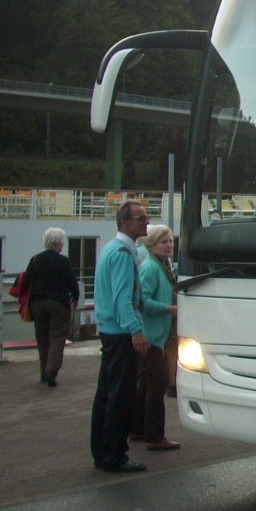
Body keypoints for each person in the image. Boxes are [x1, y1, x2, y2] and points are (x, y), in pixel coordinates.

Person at [89, 200, 150, 474]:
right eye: (140, 218)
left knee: (106, 393)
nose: (146, 222)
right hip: (120, 334)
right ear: (125, 223)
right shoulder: (124, 254)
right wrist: (136, 330)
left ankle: (101, 451)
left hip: (108, 332)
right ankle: (115, 454)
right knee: (121, 396)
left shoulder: (110, 250)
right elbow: (123, 300)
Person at [130, 225, 180, 451]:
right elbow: (143, 302)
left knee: (146, 384)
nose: (169, 246)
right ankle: (154, 435)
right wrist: (169, 309)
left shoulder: (162, 266)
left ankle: (138, 429)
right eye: (164, 242)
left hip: (155, 335)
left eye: (170, 241)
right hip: (151, 336)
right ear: (152, 245)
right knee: (156, 386)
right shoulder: (151, 268)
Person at [24, 227, 80, 387]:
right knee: (57, 337)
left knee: (42, 337)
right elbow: (72, 282)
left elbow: (27, 280)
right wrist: (75, 297)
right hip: (58, 303)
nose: (63, 245)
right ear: (57, 243)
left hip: (37, 303)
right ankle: (51, 371)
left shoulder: (35, 259)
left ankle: (43, 371)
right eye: (61, 242)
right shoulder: (63, 261)